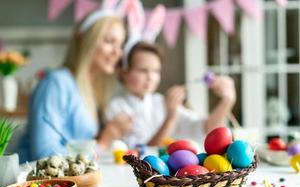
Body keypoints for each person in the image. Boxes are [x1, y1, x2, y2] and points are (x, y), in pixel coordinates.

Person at [16, 2, 133, 163]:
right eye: (109, 41)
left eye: (120, 45)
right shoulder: (56, 83)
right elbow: (44, 156)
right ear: (86, 40)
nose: (117, 52)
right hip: (31, 184)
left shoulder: (89, 90)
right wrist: (104, 141)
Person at [105, 41, 236, 147]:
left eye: (156, 71)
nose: (151, 77)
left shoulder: (161, 102)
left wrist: (226, 102)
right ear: (123, 72)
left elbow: (206, 128)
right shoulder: (116, 108)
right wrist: (170, 118)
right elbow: (140, 155)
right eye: (142, 70)